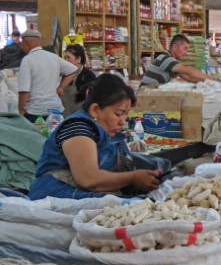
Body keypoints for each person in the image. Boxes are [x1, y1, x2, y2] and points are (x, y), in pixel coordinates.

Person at [29, 74, 162, 200]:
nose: (123, 121)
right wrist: (133, 178)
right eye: (118, 113)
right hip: (55, 194)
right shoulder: (77, 127)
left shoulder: (107, 133)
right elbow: (88, 178)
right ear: (95, 110)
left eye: (125, 114)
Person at [18, 29, 78, 123]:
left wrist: (21, 110)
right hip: (56, 110)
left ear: (25, 44)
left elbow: (24, 91)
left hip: (35, 113)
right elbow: (73, 70)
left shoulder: (27, 60)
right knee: (55, 136)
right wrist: (61, 87)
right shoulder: (53, 57)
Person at [139, 34, 214, 88]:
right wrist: (212, 79)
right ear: (175, 47)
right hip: (144, 96)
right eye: (185, 48)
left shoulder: (169, 60)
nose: (186, 53)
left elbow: (188, 78)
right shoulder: (166, 59)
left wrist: (208, 83)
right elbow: (189, 71)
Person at [61, 44, 96, 117]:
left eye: (68, 57)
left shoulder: (89, 76)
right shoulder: (63, 74)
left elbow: (93, 99)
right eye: (65, 57)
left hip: (82, 117)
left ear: (78, 59)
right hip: (64, 116)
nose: (65, 60)